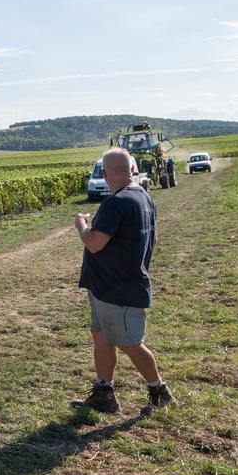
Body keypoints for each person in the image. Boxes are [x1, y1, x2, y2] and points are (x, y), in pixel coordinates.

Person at [74, 147, 176, 416]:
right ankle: (104, 394)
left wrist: (81, 225)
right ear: (132, 169)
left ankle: (160, 392)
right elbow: (152, 237)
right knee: (102, 337)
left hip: (118, 289)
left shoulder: (115, 203)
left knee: (129, 342)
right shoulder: (143, 196)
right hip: (108, 286)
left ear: (105, 174)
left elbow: (94, 243)